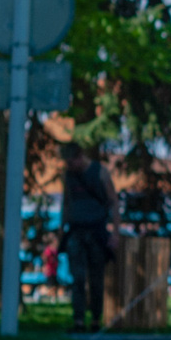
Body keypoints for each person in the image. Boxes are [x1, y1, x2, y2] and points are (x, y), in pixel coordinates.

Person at [60, 141, 118, 330]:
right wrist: (62, 231)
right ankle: (78, 320)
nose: (68, 166)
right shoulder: (68, 175)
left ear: (78, 157)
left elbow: (113, 202)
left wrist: (114, 233)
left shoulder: (100, 172)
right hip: (76, 230)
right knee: (77, 277)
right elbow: (66, 204)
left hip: (96, 231)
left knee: (96, 278)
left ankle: (95, 319)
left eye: (70, 162)